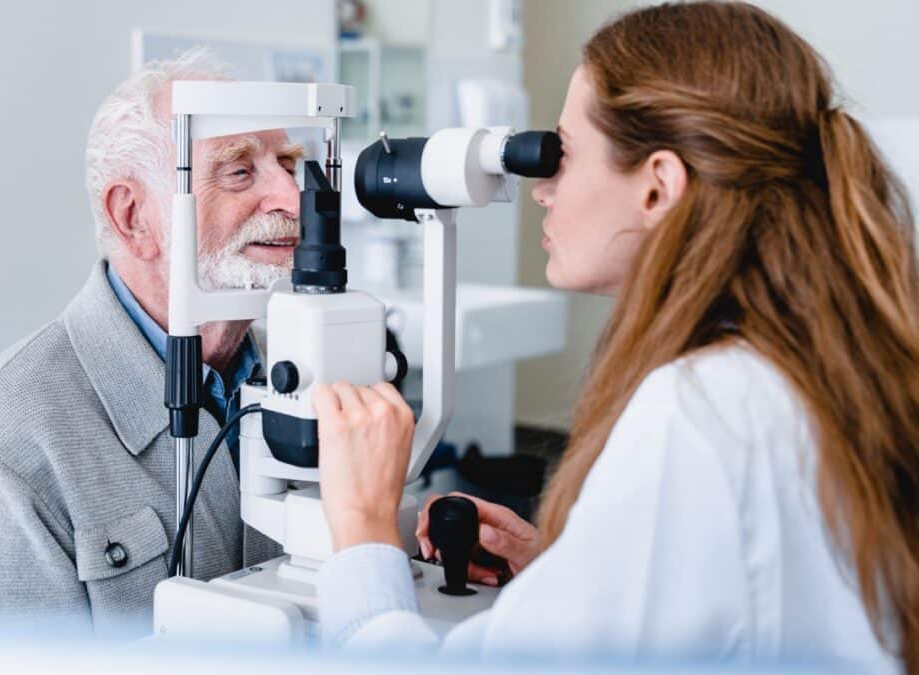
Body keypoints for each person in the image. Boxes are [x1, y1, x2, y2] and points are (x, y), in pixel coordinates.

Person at [313, 3, 918, 672]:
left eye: (561, 154)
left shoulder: (699, 413)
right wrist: (570, 571)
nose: (542, 187)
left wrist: (364, 530)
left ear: (658, 188)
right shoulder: (814, 365)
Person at [0, 48, 303, 637]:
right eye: (239, 171)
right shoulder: (17, 430)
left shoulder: (300, 370)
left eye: (290, 166)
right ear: (133, 217)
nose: (293, 201)